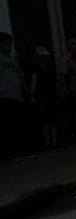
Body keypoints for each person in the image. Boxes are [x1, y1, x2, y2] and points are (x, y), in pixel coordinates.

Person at [0, 32, 29, 160]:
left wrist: (28, 93)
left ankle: (20, 151)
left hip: (17, 96)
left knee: (19, 125)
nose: (9, 47)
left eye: (10, 44)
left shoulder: (13, 59)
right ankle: (10, 153)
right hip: (4, 97)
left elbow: (21, 78)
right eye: (6, 44)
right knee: (8, 127)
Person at [28, 46, 62, 151]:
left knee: (53, 120)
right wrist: (31, 95)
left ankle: (54, 142)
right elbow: (34, 83)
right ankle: (48, 143)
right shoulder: (36, 69)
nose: (44, 59)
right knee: (46, 121)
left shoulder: (50, 69)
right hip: (43, 98)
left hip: (52, 96)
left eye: (45, 57)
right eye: (42, 57)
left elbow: (55, 84)